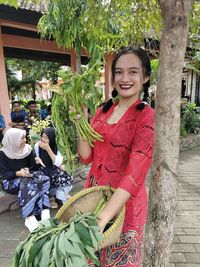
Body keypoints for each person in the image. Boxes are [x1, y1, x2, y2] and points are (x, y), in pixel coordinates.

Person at [77, 46, 154, 266]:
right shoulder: (103, 110)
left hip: (124, 208)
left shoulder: (146, 117)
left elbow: (135, 174)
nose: (124, 78)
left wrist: (104, 218)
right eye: (118, 72)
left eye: (133, 72)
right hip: (93, 202)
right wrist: (80, 122)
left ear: (145, 77)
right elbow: (86, 156)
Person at [0, 128, 51, 232]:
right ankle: (29, 216)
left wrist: (36, 162)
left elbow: (33, 168)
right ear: (13, 140)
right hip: (11, 181)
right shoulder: (3, 154)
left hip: (26, 176)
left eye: (24, 137)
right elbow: (4, 174)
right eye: (21, 138)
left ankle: (44, 209)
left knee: (43, 178)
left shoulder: (27, 149)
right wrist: (17, 173)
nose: (25, 140)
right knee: (27, 183)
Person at [34, 127, 73, 208]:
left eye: (46, 138)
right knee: (41, 176)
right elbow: (39, 161)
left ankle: (60, 195)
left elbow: (58, 163)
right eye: (42, 137)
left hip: (55, 168)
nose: (43, 140)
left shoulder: (58, 146)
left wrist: (48, 149)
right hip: (44, 168)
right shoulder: (37, 146)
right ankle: (51, 197)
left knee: (63, 173)